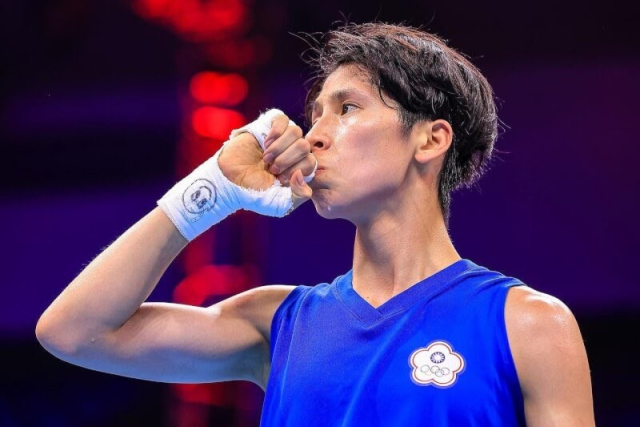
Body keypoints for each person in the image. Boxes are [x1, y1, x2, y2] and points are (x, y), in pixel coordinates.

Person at [36, 23, 594, 425]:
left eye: (347, 109)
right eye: (316, 114)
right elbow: (72, 333)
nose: (315, 135)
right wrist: (210, 191)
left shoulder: (527, 325)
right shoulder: (275, 323)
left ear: (431, 138)